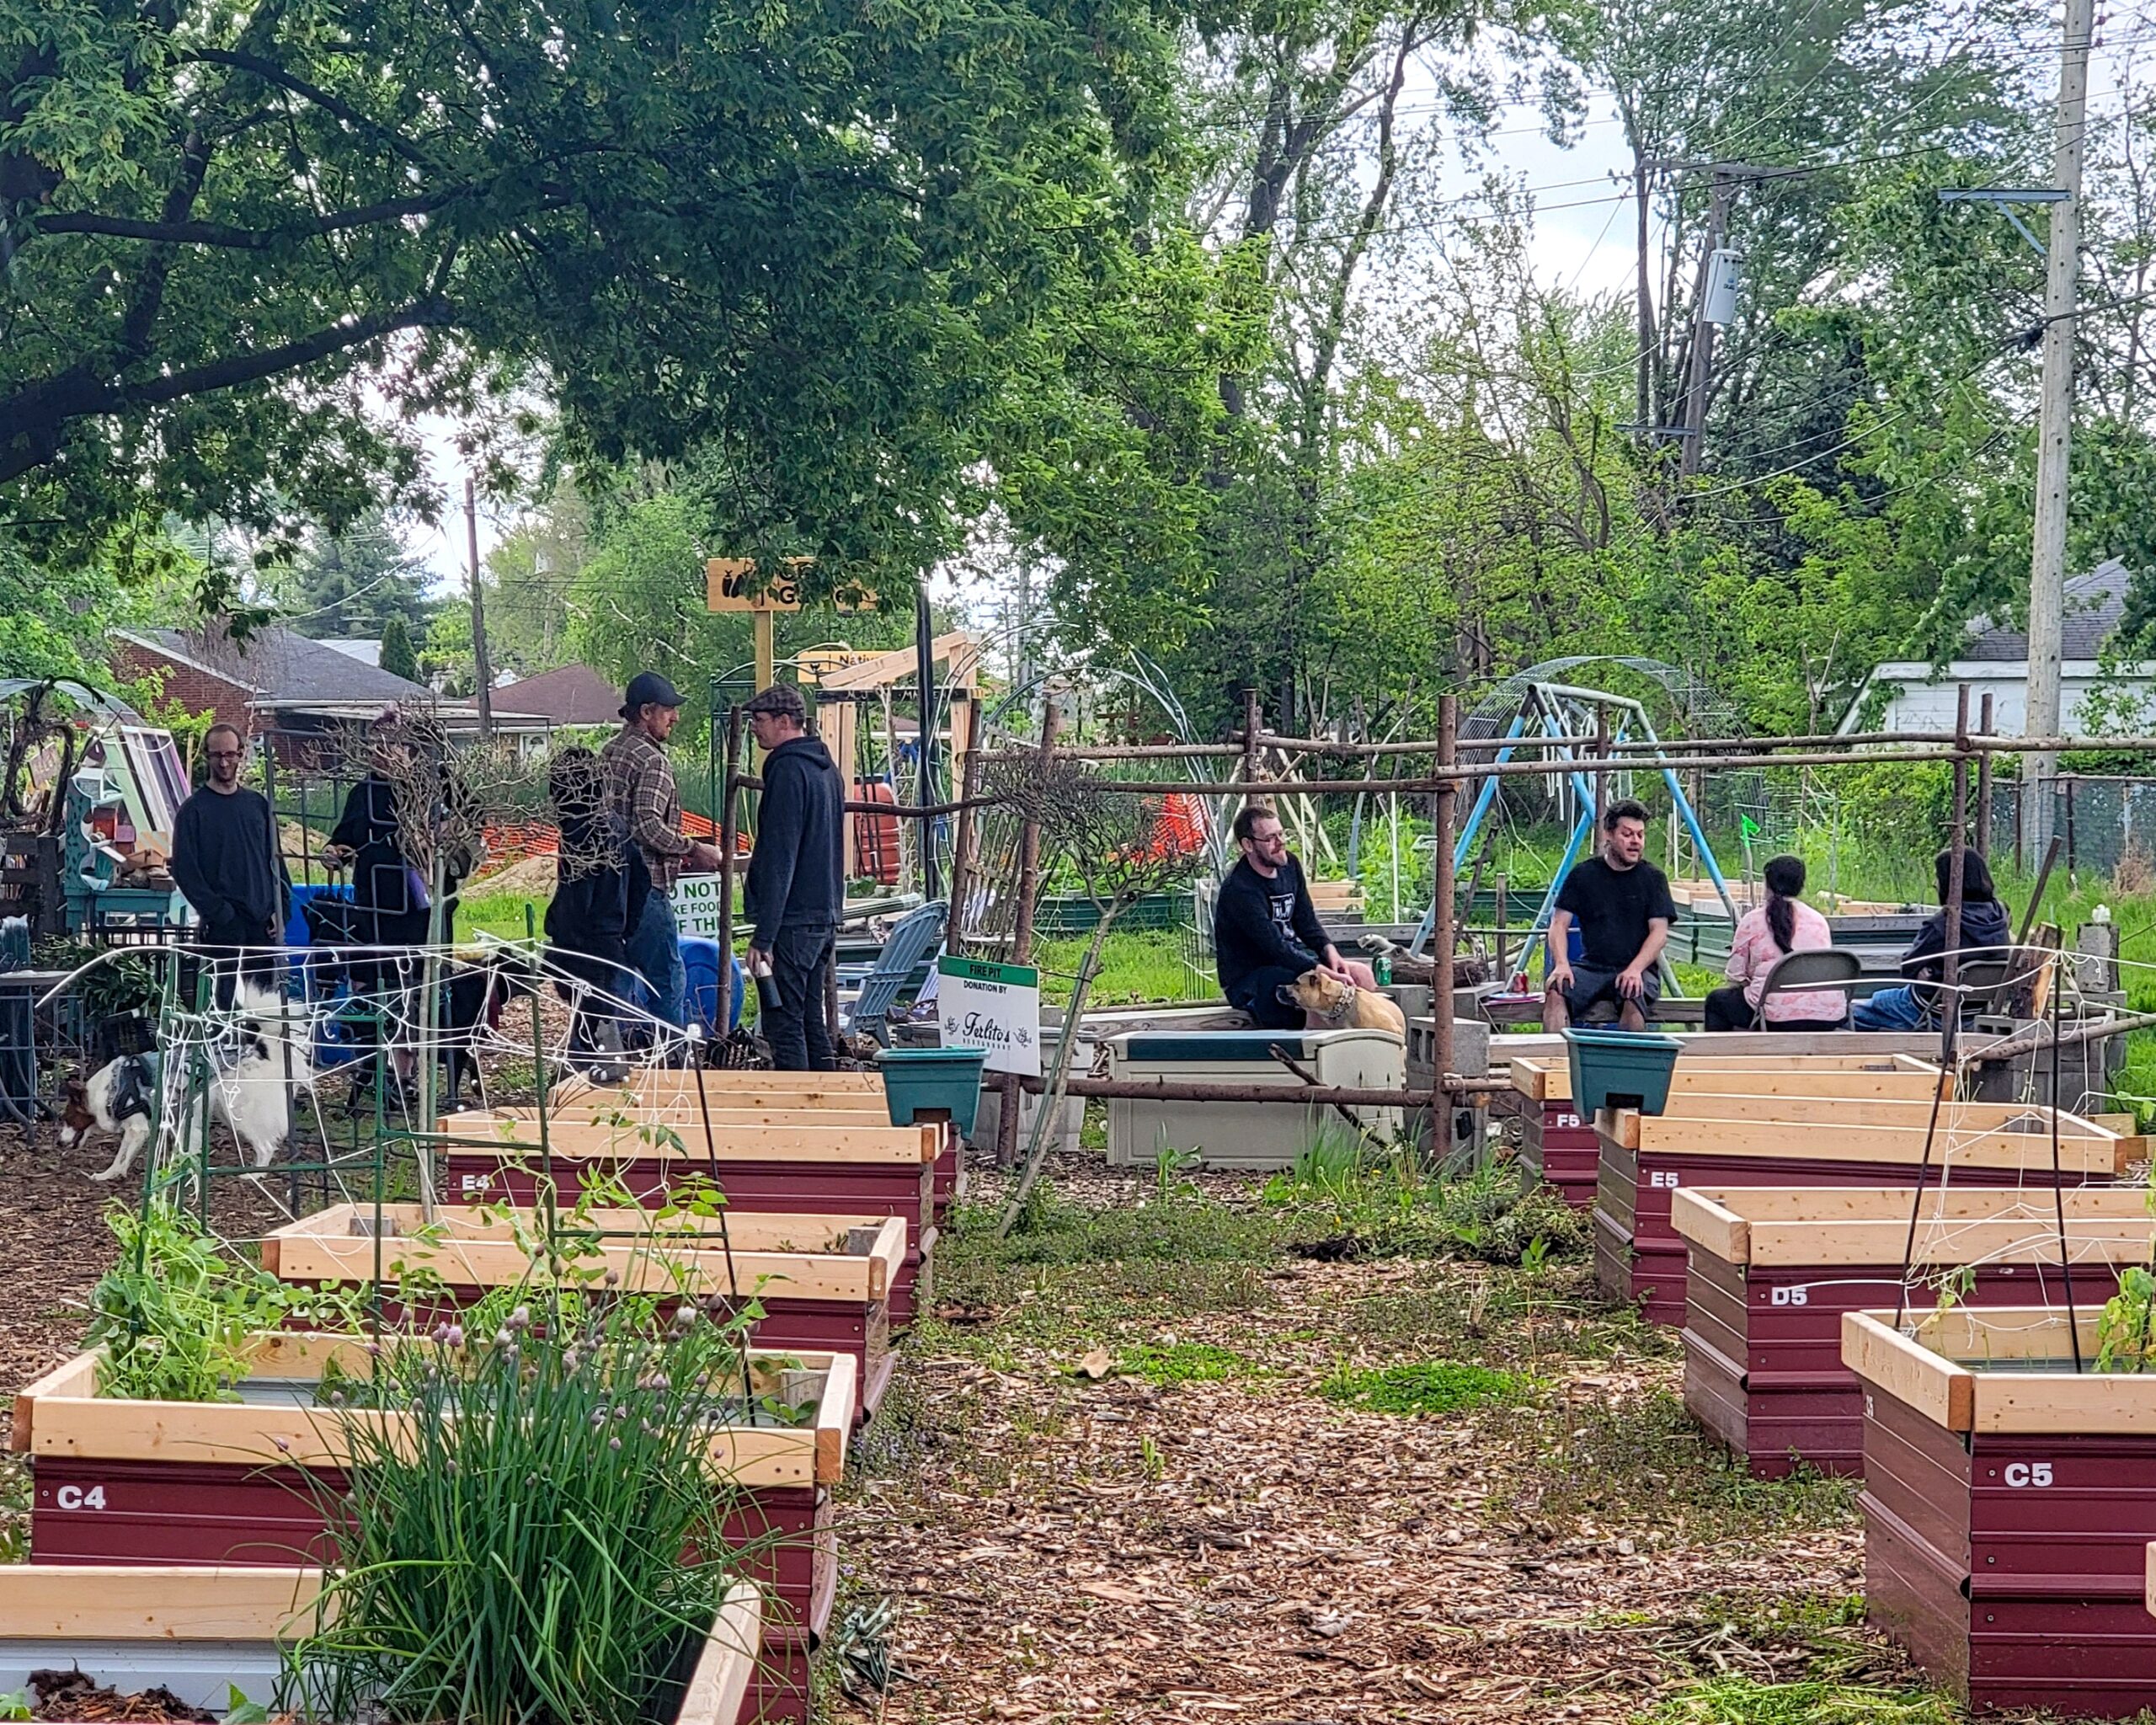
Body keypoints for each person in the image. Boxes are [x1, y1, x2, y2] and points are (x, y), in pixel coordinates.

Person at [602, 672, 723, 1041]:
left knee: (617, 976)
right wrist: (693, 849)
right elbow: (648, 825)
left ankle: (610, 1052)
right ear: (646, 712)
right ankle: (671, 1056)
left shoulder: (610, 752)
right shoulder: (652, 760)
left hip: (608, 887)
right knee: (668, 976)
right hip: (646, 888)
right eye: (668, 710)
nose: (675, 717)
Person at [741, 683, 845, 1071]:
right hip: (823, 913)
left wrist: (764, 936)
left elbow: (780, 856)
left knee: (783, 1022)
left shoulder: (788, 771)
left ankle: (795, 1100)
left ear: (785, 721)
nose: (754, 727)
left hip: (793, 919)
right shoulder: (826, 769)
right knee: (810, 1018)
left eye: (760, 719)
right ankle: (827, 1095)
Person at [1214, 804, 1377, 1031]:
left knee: (1361, 975)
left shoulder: (1290, 865)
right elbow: (1274, 947)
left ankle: (1370, 1040)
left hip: (1292, 963)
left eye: (1281, 834)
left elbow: (1306, 920)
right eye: (1270, 838)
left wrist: (1330, 953)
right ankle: (1318, 1047)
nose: (1280, 842)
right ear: (1248, 845)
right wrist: (1321, 972)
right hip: (1252, 977)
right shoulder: (1240, 890)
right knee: (1310, 994)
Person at [544, 747, 650, 1076]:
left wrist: (559, 933)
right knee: (596, 1017)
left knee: (596, 1022)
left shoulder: (580, 833)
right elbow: (642, 881)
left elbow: (576, 897)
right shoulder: (616, 825)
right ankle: (589, 1071)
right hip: (610, 938)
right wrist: (627, 926)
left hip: (585, 943)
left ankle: (593, 1076)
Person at [170, 723, 291, 996]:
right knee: (222, 1003)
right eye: (217, 755)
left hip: (262, 925)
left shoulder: (257, 805)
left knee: (262, 1005)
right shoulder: (194, 810)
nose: (224, 763)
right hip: (223, 928)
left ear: (240, 753)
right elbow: (185, 871)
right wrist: (220, 913)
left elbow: (275, 860)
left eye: (229, 754)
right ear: (206, 756)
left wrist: (281, 909)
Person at [1544, 799, 1677, 1033]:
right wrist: (1562, 964)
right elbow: (1558, 924)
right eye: (1627, 834)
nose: (1635, 841)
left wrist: (1635, 969)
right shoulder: (1583, 875)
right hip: (1592, 967)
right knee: (1556, 988)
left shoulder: (1653, 878)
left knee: (1632, 993)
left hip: (1639, 968)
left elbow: (1659, 933)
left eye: (1640, 835)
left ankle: (1629, 1056)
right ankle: (1555, 1054)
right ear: (1609, 834)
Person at [1852, 847, 2011, 1031]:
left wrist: (1927, 970)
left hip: (1930, 1009)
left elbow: (1909, 967)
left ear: (1950, 881)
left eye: (1938, 876)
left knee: (1858, 1012)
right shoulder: (2000, 915)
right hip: (1975, 1013)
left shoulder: (1943, 923)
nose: (1935, 883)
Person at [1705, 854, 1847, 1032]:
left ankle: (1724, 1050)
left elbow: (1735, 976)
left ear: (1767, 884)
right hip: (1827, 1015)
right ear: (1801, 885)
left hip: (1774, 1016)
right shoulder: (1818, 921)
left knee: (1717, 1001)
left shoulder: (1753, 921)